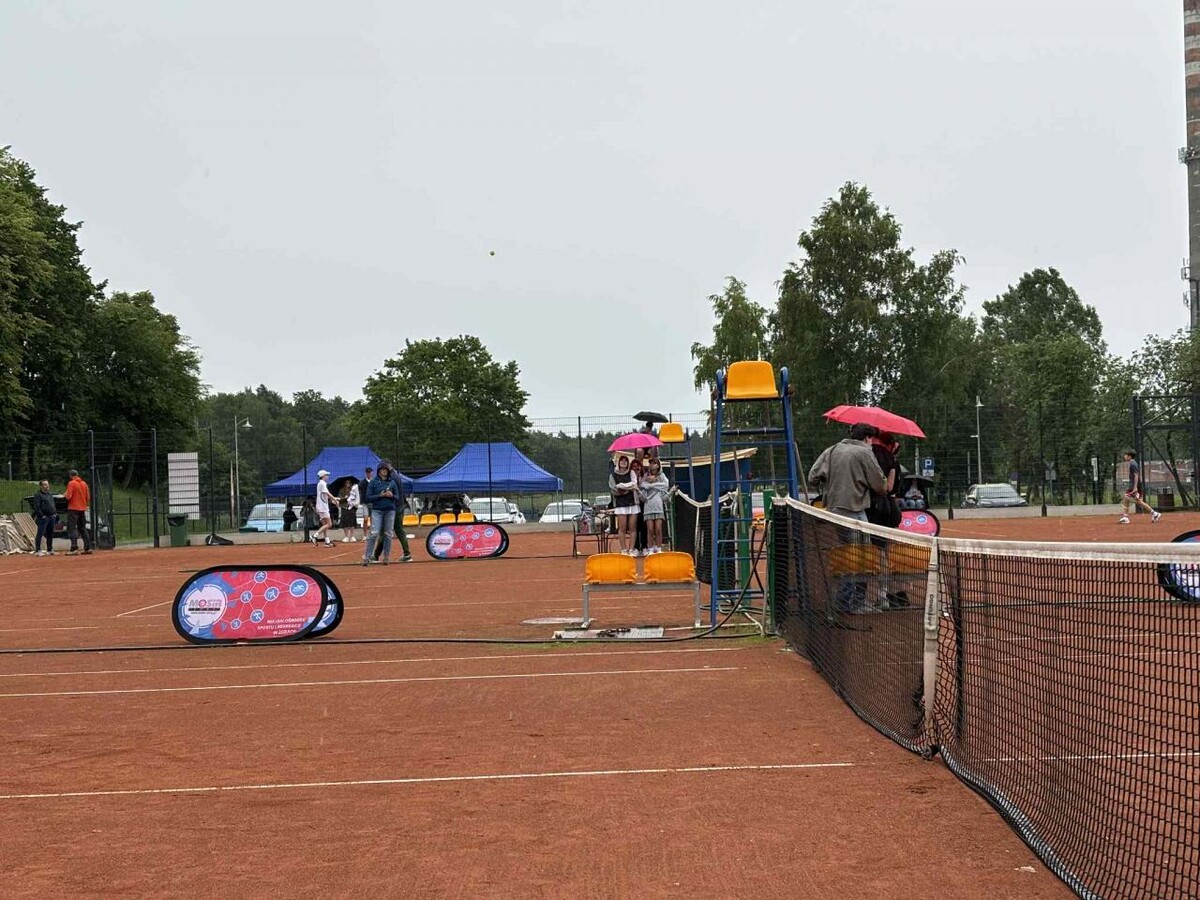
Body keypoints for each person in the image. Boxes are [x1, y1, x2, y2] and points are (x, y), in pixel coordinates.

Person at [807, 423, 886, 521]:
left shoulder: (832, 450)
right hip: (854, 507)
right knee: (861, 531)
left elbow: (812, 477)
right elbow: (879, 485)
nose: (871, 444)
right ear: (867, 438)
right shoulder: (865, 453)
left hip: (832, 506)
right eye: (871, 440)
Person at [364, 459, 413, 565]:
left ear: (389, 466)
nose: (384, 470)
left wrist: (390, 497)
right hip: (395, 506)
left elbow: (397, 494)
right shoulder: (396, 476)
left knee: (388, 532)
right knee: (390, 532)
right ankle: (378, 555)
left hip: (393, 507)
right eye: (382, 468)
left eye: (385, 467)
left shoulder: (392, 478)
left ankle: (404, 553)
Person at [1119, 451, 1162, 525]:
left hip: (1134, 486)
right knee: (1137, 501)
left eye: (1125, 455)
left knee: (1127, 498)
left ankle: (1126, 518)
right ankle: (1154, 513)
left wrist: (1135, 487)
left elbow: (1136, 475)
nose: (1124, 457)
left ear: (1129, 456)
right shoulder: (1132, 463)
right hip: (1135, 485)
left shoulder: (1133, 464)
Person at [639, 458, 670, 554]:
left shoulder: (662, 476)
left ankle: (659, 548)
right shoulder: (646, 476)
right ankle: (650, 549)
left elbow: (665, 486)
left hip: (658, 507)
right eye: (651, 463)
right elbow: (642, 486)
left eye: (654, 463)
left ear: (658, 465)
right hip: (648, 507)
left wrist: (652, 484)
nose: (652, 465)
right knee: (650, 529)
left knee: (658, 529)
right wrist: (648, 485)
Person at [609, 454, 639, 555]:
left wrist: (622, 486)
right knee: (622, 528)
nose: (623, 462)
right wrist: (626, 490)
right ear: (618, 462)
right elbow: (614, 489)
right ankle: (624, 550)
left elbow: (634, 484)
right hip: (620, 504)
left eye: (625, 460)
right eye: (621, 460)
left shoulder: (631, 472)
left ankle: (631, 549)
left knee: (632, 528)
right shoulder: (613, 475)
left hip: (632, 503)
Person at [64, 469, 93, 555]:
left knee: (72, 528)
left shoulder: (71, 483)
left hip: (73, 508)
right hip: (82, 509)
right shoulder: (84, 483)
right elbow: (88, 497)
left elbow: (68, 496)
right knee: (82, 528)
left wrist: (65, 495)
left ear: (70, 476)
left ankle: (74, 548)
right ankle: (88, 547)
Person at [32, 479, 57, 556]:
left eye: (47, 484)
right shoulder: (38, 495)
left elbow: (53, 504)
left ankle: (49, 549)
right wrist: (42, 515)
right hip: (43, 518)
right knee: (40, 533)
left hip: (51, 516)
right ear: (41, 486)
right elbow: (37, 507)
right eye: (45, 484)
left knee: (50, 533)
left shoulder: (50, 494)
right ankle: (38, 550)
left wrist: (55, 513)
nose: (47, 486)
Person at [311, 470, 335, 546]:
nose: (328, 476)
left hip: (320, 506)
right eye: (326, 475)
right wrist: (334, 499)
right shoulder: (322, 483)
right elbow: (327, 493)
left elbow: (325, 495)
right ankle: (315, 536)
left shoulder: (320, 484)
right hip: (323, 507)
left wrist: (332, 500)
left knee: (324, 524)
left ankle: (327, 541)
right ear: (323, 476)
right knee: (329, 524)